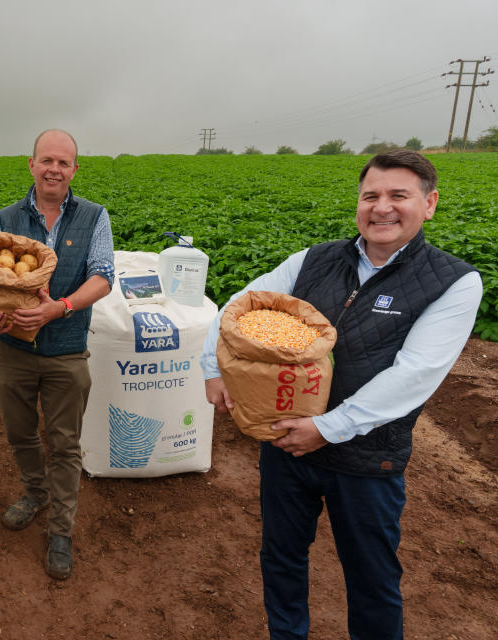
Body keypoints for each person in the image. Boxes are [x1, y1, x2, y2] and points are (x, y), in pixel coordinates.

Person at [199, 149, 482, 640]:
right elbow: (241, 304)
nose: (382, 208)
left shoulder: (453, 282)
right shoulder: (315, 259)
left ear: (429, 204)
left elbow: (416, 373)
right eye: (371, 195)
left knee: (372, 576)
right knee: (282, 557)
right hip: (287, 442)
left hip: (367, 460)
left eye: (399, 196)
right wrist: (212, 367)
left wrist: (328, 428)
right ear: (358, 203)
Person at [0, 129, 114, 580]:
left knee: (65, 444)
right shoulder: (5, 219)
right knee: (21, 433)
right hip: (12, 350)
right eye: (46, 160)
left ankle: (61, 530)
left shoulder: (94, 216)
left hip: (67, 351)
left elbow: (103, 276)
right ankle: (35, 491)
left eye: (63, 163)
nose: (54, 169)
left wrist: (60, 308)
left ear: (74, 170)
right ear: (31, 164)